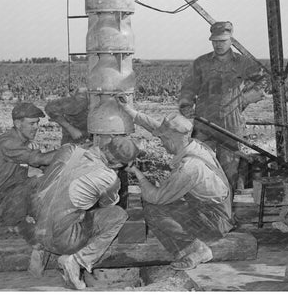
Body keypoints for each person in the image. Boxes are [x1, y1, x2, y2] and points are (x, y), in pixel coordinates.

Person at [115, 95, 234, 270]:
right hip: (208, 208)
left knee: (153, 210)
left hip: (214, 221)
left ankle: (199, 249)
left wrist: (137, 173)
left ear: (171, 140)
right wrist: (129, 111)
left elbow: (155, 197)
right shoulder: (192, 143)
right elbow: (156, 127)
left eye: (162, 141)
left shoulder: (189, 168)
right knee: (161, 204)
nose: (161, 144)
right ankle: (184, 250)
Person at [25, 135, 140, 290]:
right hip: (63, 240)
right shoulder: (109, 177)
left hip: (32, 226)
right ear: (120, 164)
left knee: (53, 199)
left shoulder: (69, 149)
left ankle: (40, 248)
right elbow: (107, 205)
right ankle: (77, 260)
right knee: (118, 215)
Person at [178, 21, 266, 189]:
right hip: (204, 123)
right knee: (200, 166)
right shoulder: (201, 63)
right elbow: (188, 87)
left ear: (231, 40)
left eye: (222, 40)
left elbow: (263, 81)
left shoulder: (243, 63)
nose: (218, 44)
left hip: (231, 124)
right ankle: (205, 208)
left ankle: (227, 210)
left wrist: (246, 98)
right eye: (215, 41)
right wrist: (185, 104)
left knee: (229, 170)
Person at [0, 102, 61, 228]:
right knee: (40, 182)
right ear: (18, 124)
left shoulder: (21, 142)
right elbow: (36, 160)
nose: (36, 127)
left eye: (37, 123)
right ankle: (1, 216)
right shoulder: (9, 143)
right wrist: (67, 151)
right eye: (31, 123)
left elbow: (40, 164)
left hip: (10, 190)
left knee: (49, 179)